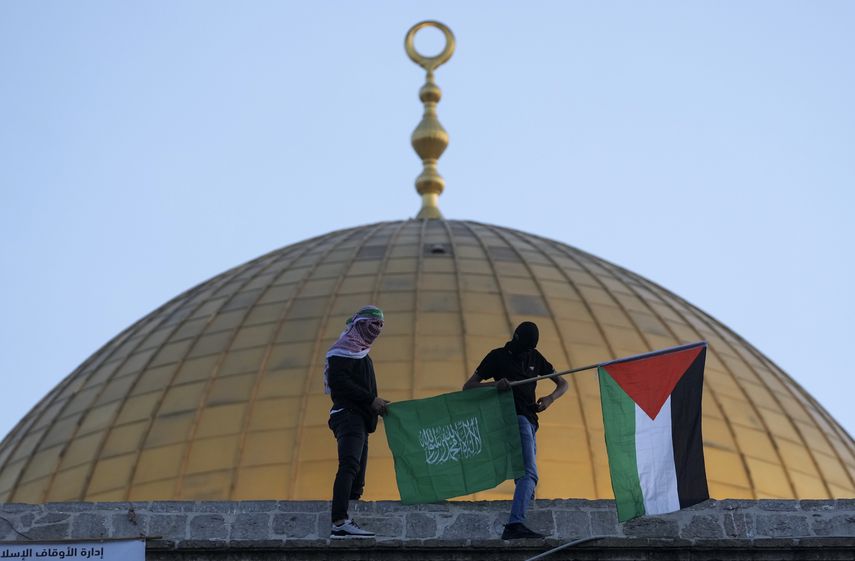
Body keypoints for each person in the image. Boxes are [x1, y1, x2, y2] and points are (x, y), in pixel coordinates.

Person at [463, 321, 568, 540]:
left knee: (526, 475)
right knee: (528, 473)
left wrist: (549, 399)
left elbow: (563, 384)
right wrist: (495, 385)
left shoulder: (535, 357)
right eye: (525, 348)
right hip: (512, 419)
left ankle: (519, 520)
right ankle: (515, 524)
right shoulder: (497, 357)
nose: (526, 353)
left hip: (530, 420)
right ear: (516, 340)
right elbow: (469, 387)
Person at [324, 305, 389, 539]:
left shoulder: (361, 354)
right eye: (373, 323)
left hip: (360, 419)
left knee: (358, 478)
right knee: (349, 465)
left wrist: (378, 405)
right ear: (359, 324)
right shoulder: (342, 351)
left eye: (381, 324)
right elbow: (340, 383)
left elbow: (363, 389)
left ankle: (350, 517)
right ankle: (340, 521)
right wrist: (371, 400)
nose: (377, 329)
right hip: (347, 416)